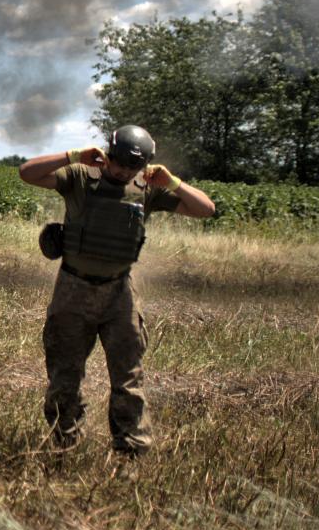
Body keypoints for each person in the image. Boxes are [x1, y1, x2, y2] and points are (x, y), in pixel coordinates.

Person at [18, 125, 215, 455]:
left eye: (132, 167)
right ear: (107, 155)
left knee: (128, 379)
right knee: (65, 378)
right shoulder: (82, 177)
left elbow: (205, 209)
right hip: (73, 290)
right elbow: (27, 173)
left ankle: (130, 453)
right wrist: (72, 156)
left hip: (119, 295)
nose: (123, 171)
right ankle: (63, 446)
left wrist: (173, 183)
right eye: (119, 163)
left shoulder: (146, 189)